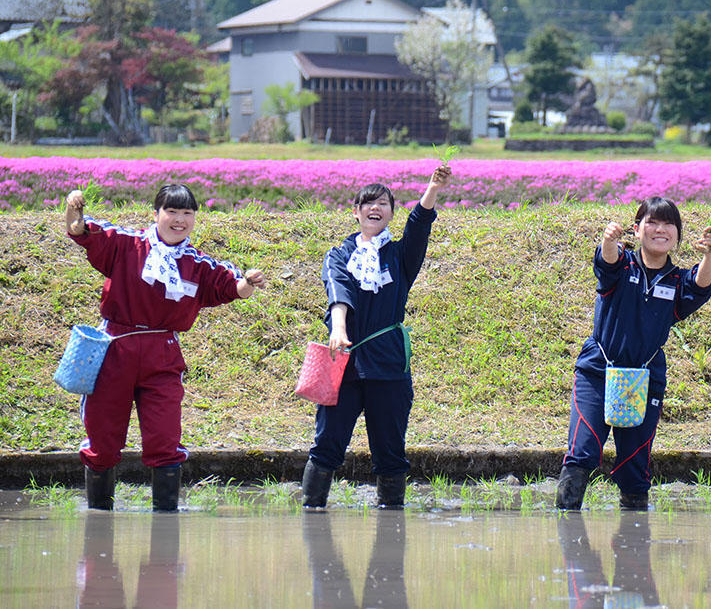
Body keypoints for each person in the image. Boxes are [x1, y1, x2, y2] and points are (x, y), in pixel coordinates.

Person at [64, 185, 265, 512]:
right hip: (115, 348)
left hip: (163, 354)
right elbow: (81, 231)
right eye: (172, 211)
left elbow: (232, 287)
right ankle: (98, 522)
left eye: (187, 213)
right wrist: (74, 212)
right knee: (102, 438)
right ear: (156, 214)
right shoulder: (127, 244)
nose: (179, 219)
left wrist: (249, 283)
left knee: (165, 438)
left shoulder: (198, 265)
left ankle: (165, 533)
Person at [301, 165, 451, 510]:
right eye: (368, 203)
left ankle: (391, 529)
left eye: (383, 203)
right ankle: (311, 514)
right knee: (327, 445)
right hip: (343, 363)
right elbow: (337, 291)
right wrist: (338, 327)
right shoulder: (339, 254)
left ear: (391, 213)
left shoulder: (400, 256)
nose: (375, 208)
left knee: (390, 451)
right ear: (355, 212)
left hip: (389, 366)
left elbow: (419, 226)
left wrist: (432, 187)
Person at [556, 197, 711, 510]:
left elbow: (700, 286)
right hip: (598, 371)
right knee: (583, 450)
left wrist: (710, 255)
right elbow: (608, 261)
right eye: (652, 223)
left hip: (644, 378)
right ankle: (568, 534)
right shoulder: (622, 265)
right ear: (637, 229)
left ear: (678, 234)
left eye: (668, 224)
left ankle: (634, 542)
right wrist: (608, 240)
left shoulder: (676, 280)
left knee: (634, 465)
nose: (660, 229)